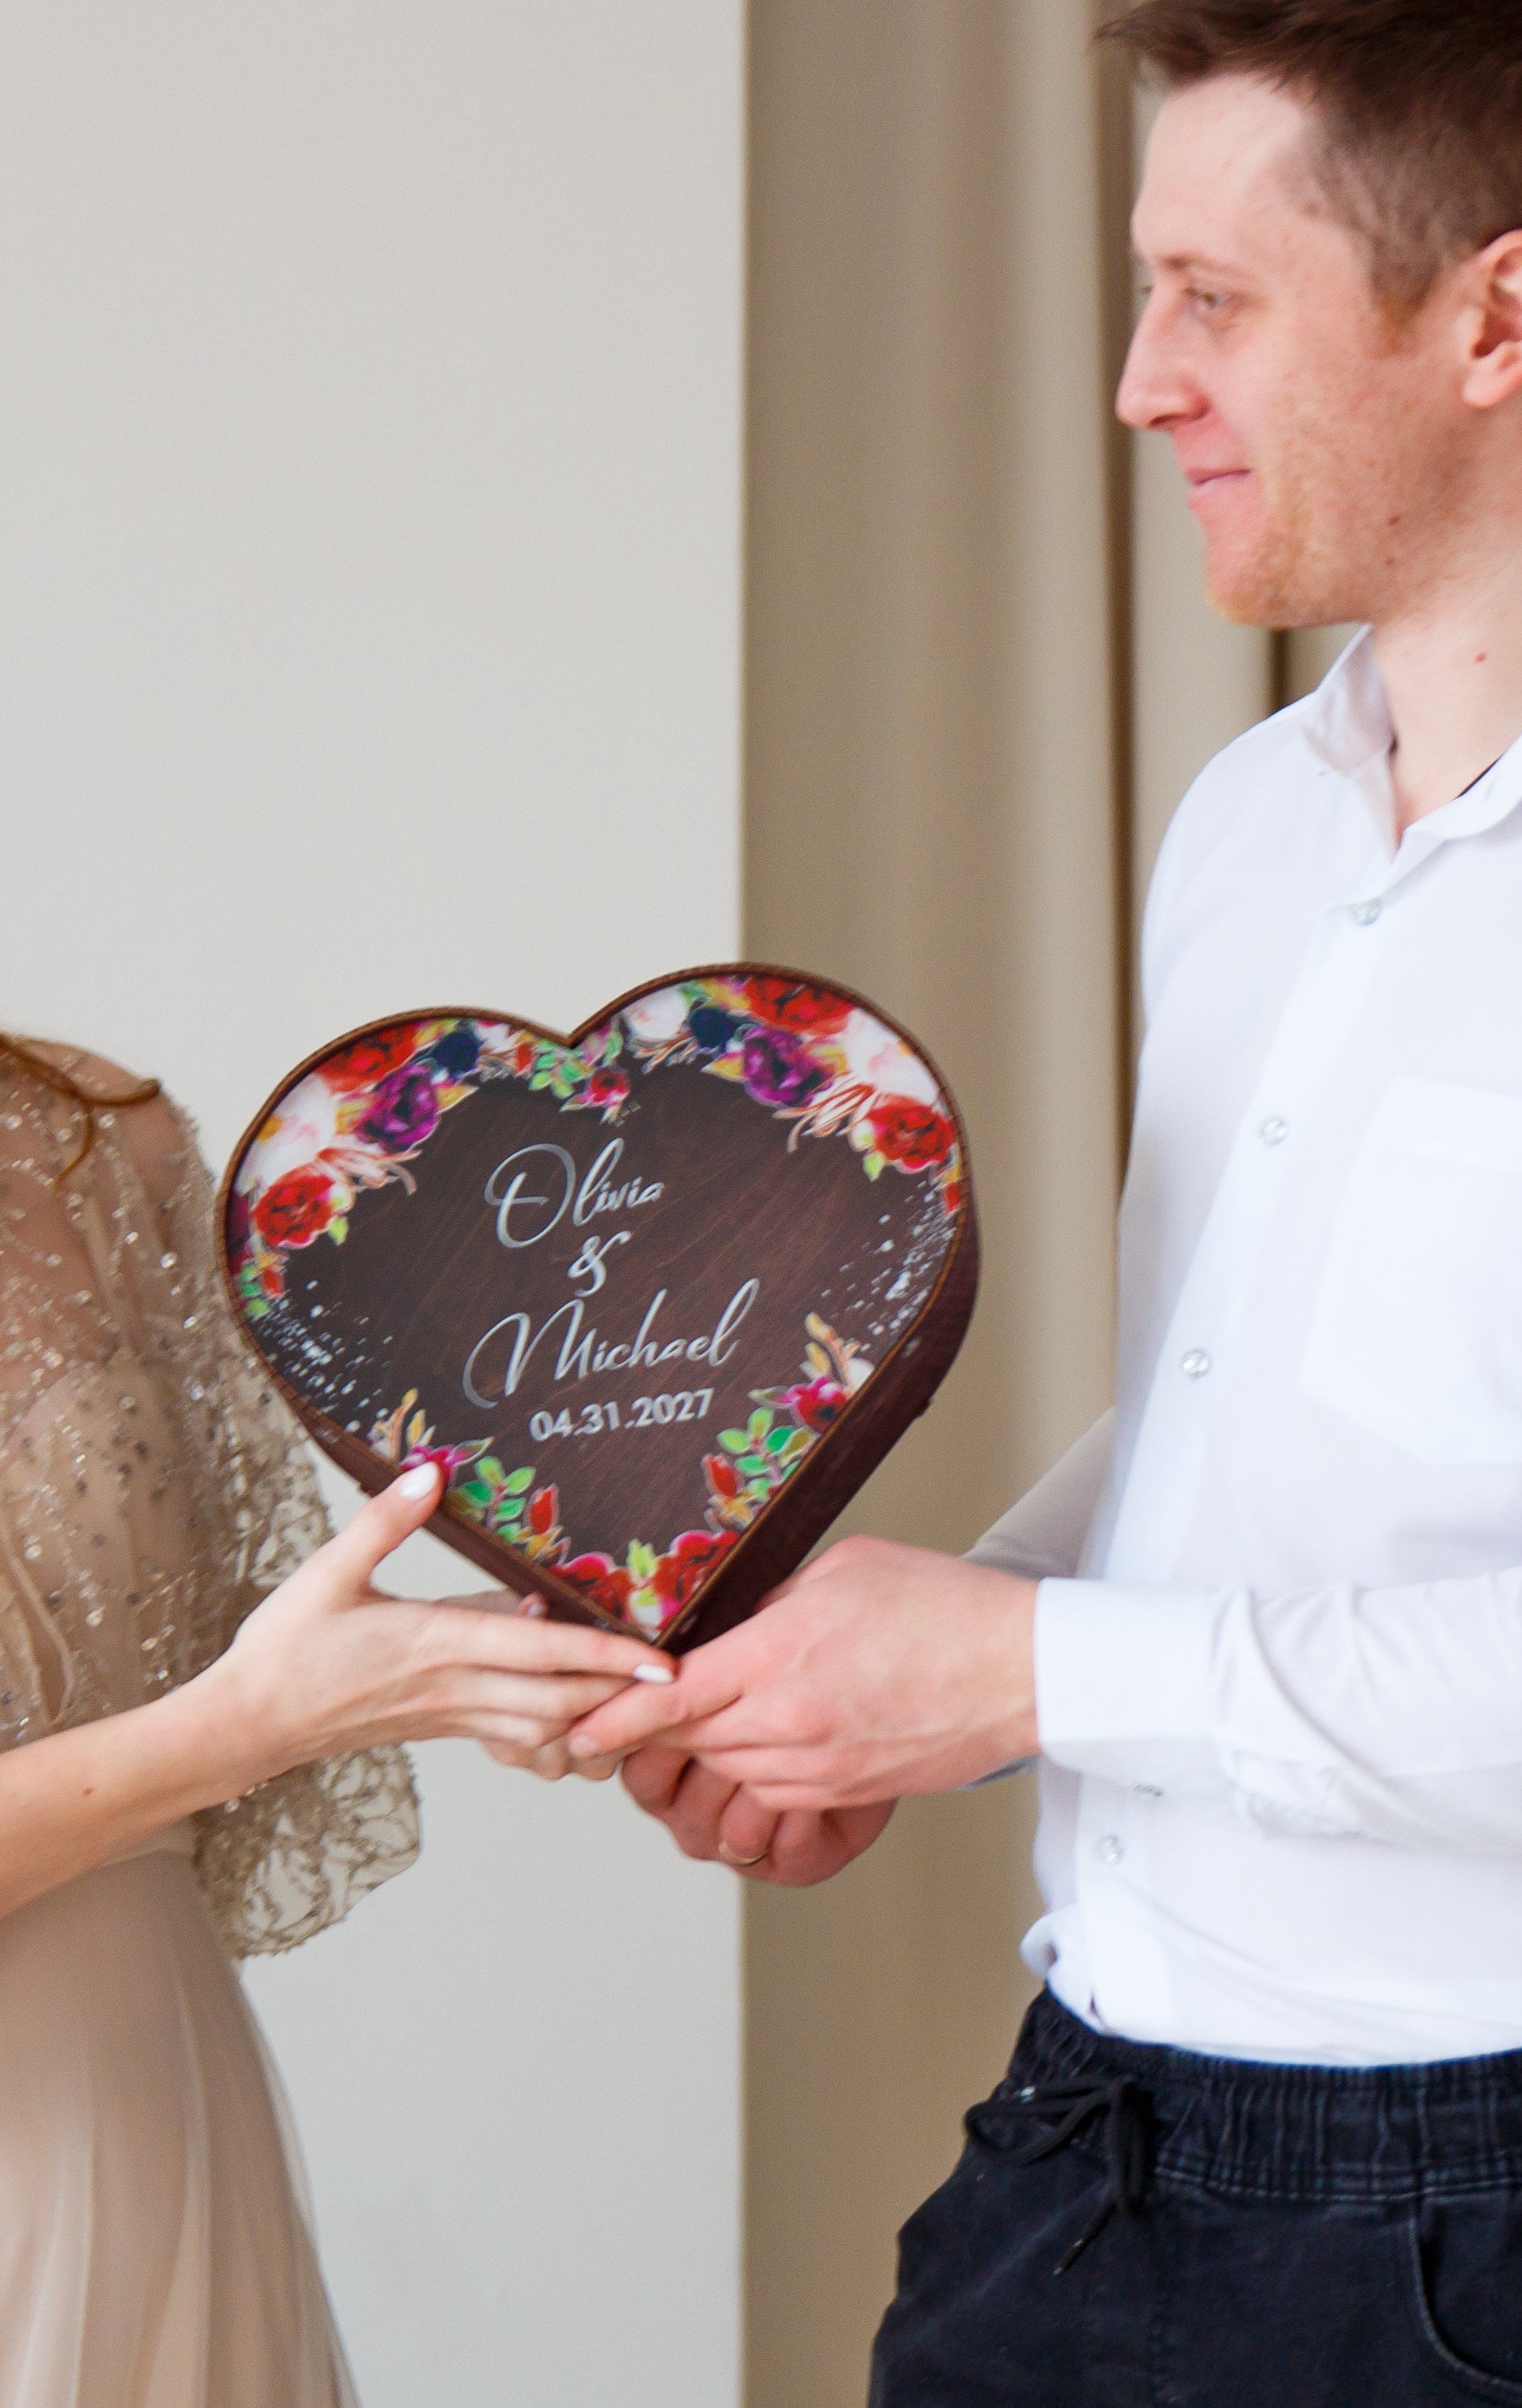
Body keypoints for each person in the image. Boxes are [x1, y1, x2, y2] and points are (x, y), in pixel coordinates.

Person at [567, 3, 1522, 2398]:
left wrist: (1017, 1672)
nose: (1131, 381)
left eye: (1212, 298)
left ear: (1492, 319)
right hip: (1084, 2125)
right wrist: (914, 1680)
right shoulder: (1248, 829)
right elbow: (1233, 1404)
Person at [0, 470, 673, 2408]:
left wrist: (493, 1657)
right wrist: (253, 1718)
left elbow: (261, 1651)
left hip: (166, 2159)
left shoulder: (89, 1149)